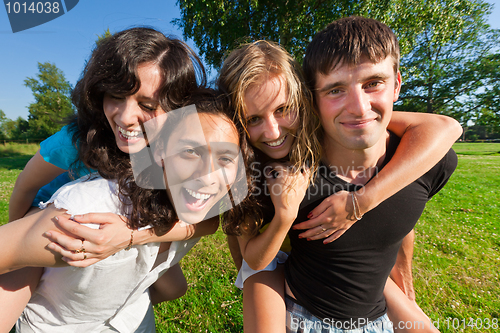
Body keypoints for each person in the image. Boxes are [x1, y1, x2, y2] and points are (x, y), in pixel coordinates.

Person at [0, 26, 216, 331]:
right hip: (51, 216)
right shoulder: (75, 141)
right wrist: (23, 235)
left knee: (175, 288)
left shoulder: (174, 155)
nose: (126, 117)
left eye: (147, 105)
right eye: (116, 96)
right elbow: (26, 183)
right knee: (22, 276)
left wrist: (132, 236)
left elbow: (211, 221)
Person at [281, 16, 457, 332]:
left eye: (373, 83)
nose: (359, 108)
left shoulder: (426, 161)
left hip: (377, 319)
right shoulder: (293, 175)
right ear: (313, 98)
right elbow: (255, 256)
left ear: (397, 85)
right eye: (335, 89)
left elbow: (402, 216)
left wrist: (402, 279)